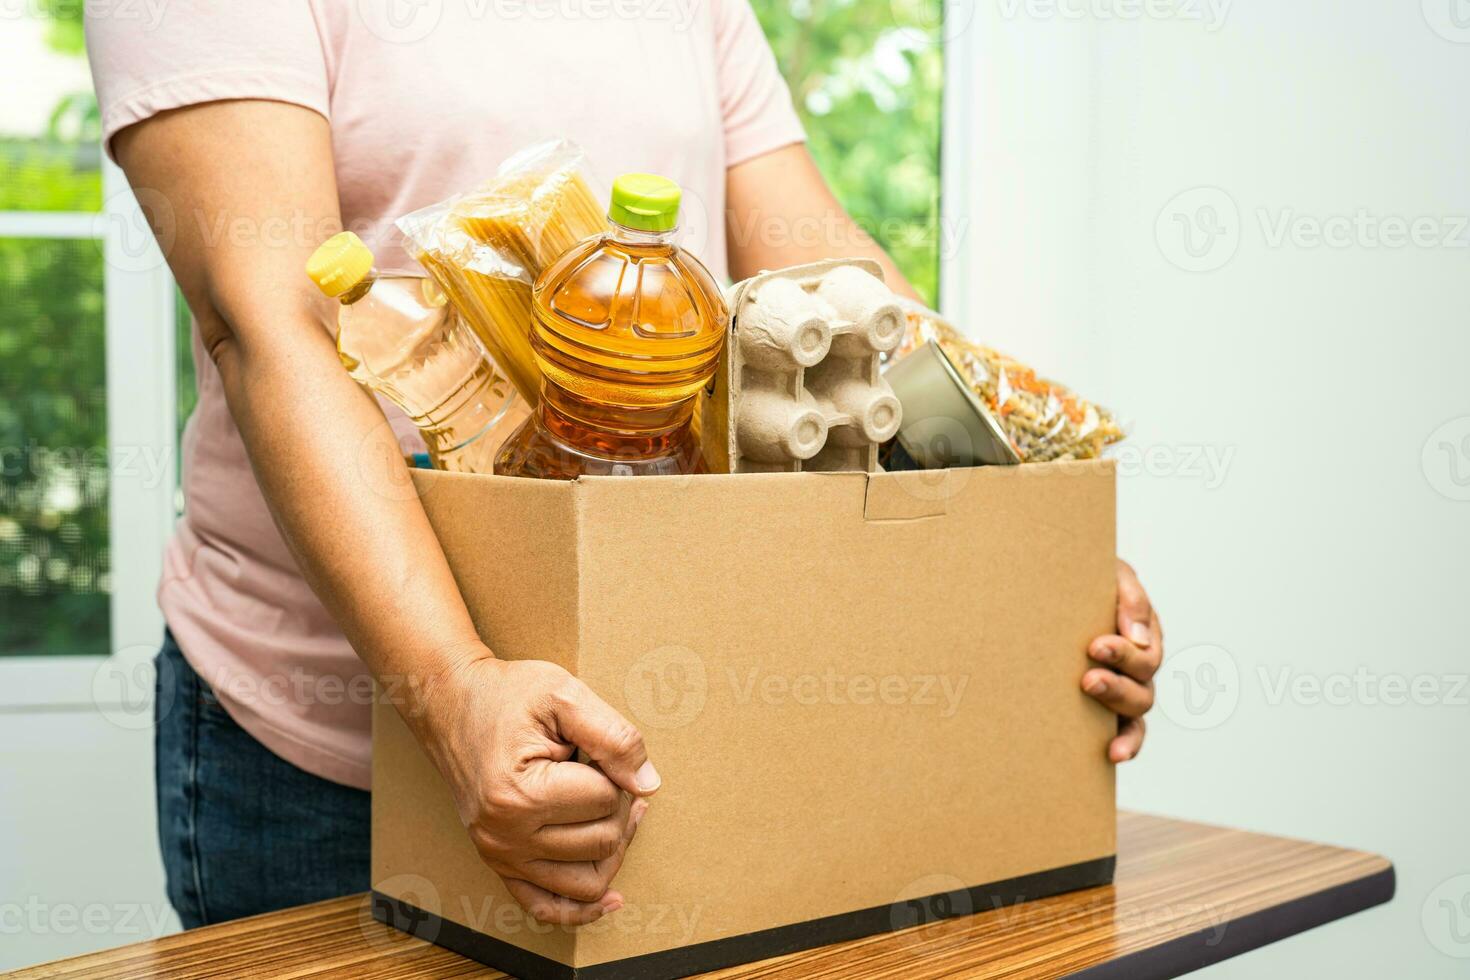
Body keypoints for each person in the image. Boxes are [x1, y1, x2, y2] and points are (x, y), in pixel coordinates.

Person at [84, 0, 1162, 929]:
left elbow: (830, 279)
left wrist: (1026, 533)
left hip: (655, 708)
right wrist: (453, 686)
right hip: (326, 757)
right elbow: (269, 324)